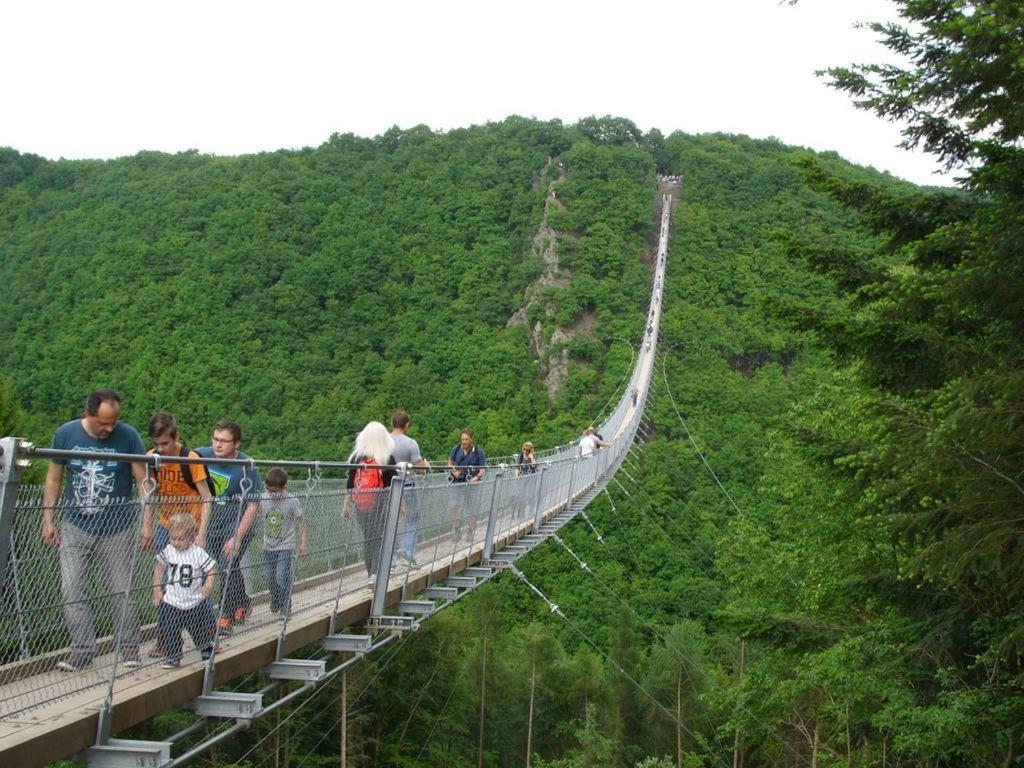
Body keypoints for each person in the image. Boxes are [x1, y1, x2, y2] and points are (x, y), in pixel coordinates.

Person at [42, 389, 150, 672]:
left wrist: (146, 521)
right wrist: (48, 520)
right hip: (75, 525)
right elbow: (53, 479)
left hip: (118, 526)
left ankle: (128, 647)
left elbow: (143, 480)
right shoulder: (65, 434)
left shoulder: (128, 436)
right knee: (71, 589)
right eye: (104, 422)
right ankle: (82, 651)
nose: (109, 428)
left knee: (121, 590)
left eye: (114, 422)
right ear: (88, 414)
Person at [147, 411, 213, 657]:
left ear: (176, 437)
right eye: (157, 444)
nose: (161, 449)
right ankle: (166, 639)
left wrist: (201, 534)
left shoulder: (190, 458)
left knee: (195, 583)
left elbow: (207, 497)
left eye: (165, 443)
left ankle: (207, 634)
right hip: (167, 527)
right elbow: (150, 494)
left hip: (191, 527)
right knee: (166, 585)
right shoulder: (152, 459)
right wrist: (147, 526)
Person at [195, 420, 264, 635]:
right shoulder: (201, 456)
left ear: (236, 443)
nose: (218, 445)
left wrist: (237, 537)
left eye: (224, 441)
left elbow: (254, 504)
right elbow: (179, 458)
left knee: (226, 567)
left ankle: (224, 617)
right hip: (210, 524)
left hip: (235, 524)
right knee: (229, 569)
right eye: (215, 439)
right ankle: (243, 602)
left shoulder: (247, 465)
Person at [152, 514, 216, 669]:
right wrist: (157, 591)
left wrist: (208, 586)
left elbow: (212, 570)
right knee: (171, 630)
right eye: (173, 538)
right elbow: (159, 570)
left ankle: (206, 648)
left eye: (180, 539)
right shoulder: (168, 551)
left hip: (193, 601)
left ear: (191, 537)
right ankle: (173, 656)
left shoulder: (198, 553)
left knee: (198, 629)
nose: (176, 542)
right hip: (172, 601)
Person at [342, 422, 398, 581]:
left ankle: (370, 573)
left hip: (361, 504)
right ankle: (376, 573)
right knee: (380, 536)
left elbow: (351, 484)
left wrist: (346, 505)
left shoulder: (356, 457)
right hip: (382, 503)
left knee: (368, 537)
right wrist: (400, 506)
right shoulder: (387, 457)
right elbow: (393, 485)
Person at [259, 468, 307, 614]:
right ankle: (277, 597)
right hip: (268, 545)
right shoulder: (263, 497)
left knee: (281, 576)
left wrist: (303, 543)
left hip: (286, 544)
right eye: (269, 490)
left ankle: (286, 605)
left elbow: (302, 522)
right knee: (268, 577)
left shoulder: (291, 500)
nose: (271, 494)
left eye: (275, 492)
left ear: (284, 487)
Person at [390, 411, 429, 566]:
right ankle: (407, 553)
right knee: (412, 520)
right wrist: (426, 465)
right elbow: (421, 469)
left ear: (392, 424)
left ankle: (390, 561)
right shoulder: (410, 443)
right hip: (407, 486)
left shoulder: (383, 442)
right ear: (406, 425)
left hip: (388, 487)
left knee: (390, 523)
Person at [447, 429, 486, 542]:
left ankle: (470, 532)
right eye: (462, 439)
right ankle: (457, 531)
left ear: (471, 439)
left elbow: (483, 470)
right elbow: (450, 463)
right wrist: (454, 471)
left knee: (472, 508)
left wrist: (477, 478)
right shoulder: (456, 449)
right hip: (457, 482)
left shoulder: (478, 452)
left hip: (471, 484)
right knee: (453, 506)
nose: (464, 442)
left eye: (466, 439)